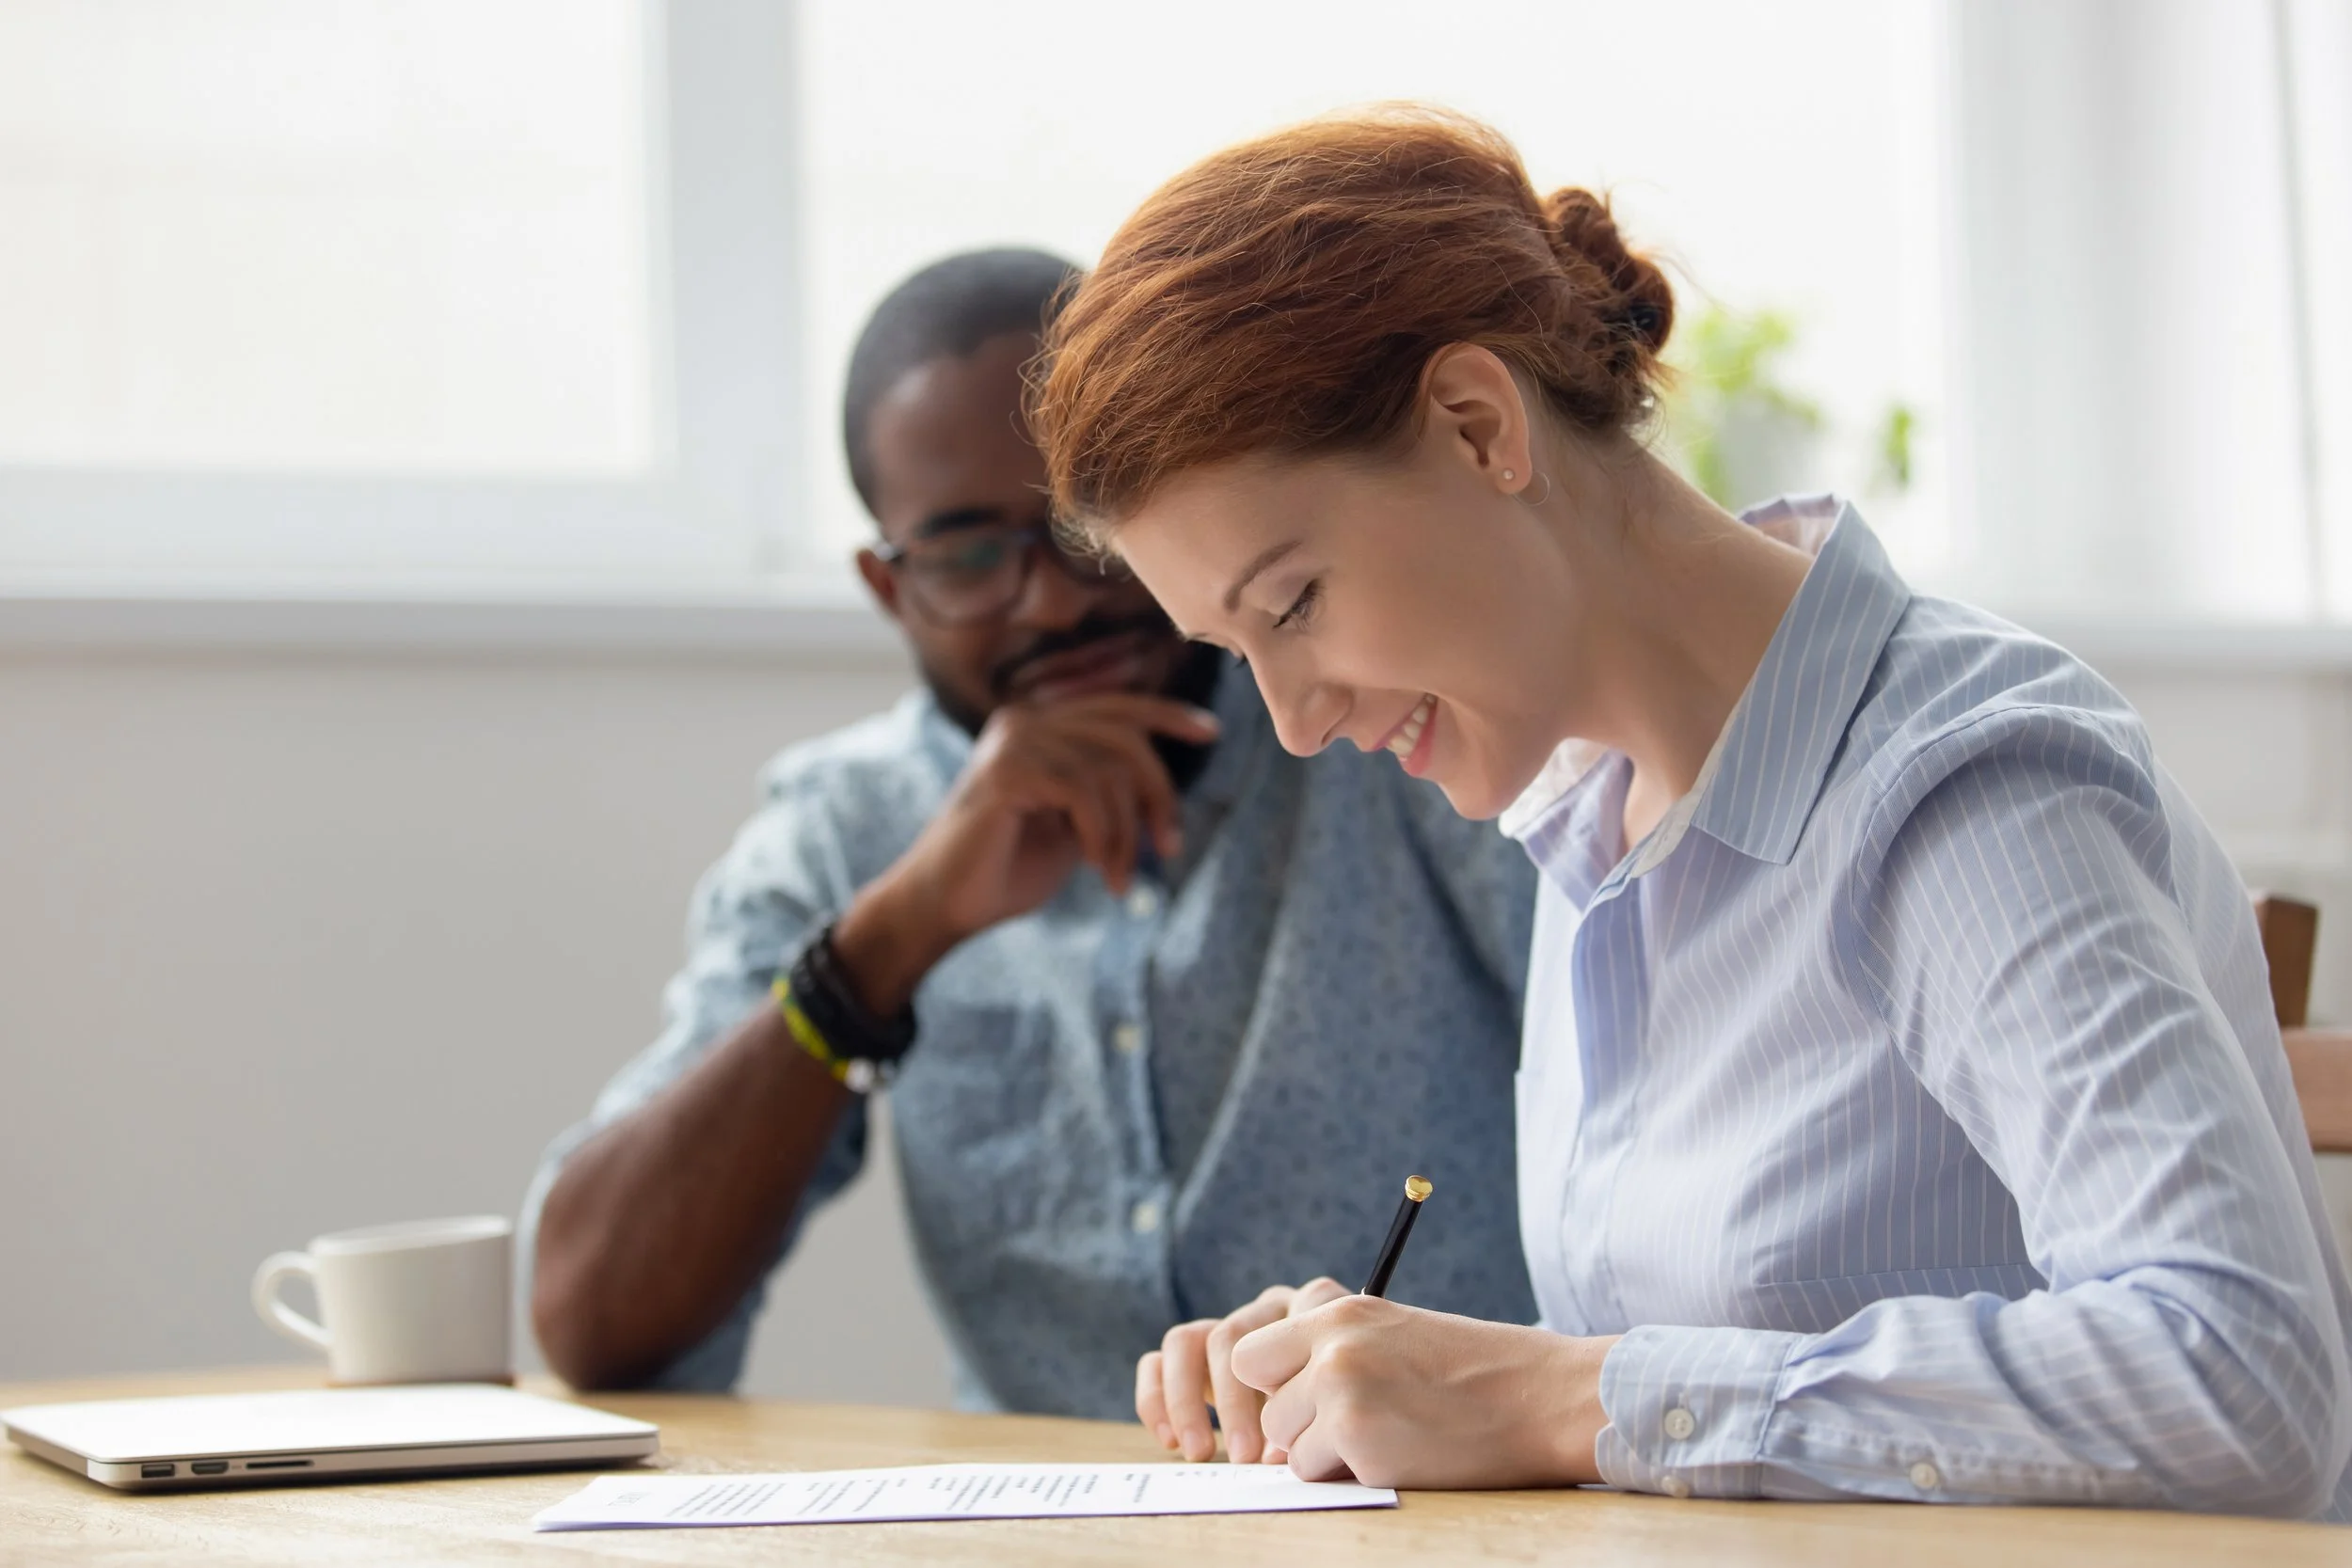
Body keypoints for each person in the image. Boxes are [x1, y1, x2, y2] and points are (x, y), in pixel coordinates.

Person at [1028, 110, 2352, 1516]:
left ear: (1481, 428)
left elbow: (2243, 1370)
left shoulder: (1961, 786)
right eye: (1241, 655)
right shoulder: (1586, 818)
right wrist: (1369, 1375)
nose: (1295, 722)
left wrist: (1562, 1391)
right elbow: (1708, 1394)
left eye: (1295, 603)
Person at [521, 248, 1538, 1421]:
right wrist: (884, 944)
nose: (1050, 601)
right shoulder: (844, 830)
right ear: (889, 587)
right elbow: (591, 1318)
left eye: (1079, 528)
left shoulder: (1395, 732)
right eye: (964, 556)